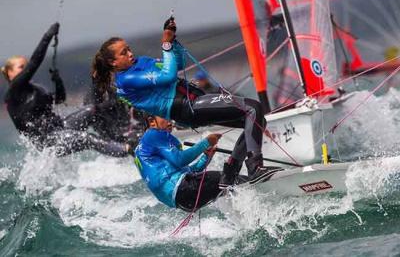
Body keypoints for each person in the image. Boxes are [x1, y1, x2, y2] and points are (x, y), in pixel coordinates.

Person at [94, 17, 269, 187]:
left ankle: (229, 175)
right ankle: (255, 167)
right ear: (113, 62)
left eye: (129, 49)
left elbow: (176, 65)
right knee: (253, 108)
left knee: (257, 120)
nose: (130, 54)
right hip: (185, 108)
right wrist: (166, 45)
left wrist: (173, 43)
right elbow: (168, 76)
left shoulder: (141, 62)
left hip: (192, 101)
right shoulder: (126, 79)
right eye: (124, 53)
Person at [1, 23, 136, 157]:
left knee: (92, 110)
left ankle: (118, 141)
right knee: (87, 138)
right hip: (47, 141)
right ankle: (128, 150)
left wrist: (58, 81)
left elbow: (60, 99)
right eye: (21, 67)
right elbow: (35, 62)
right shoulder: (13, 93)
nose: (25, 70)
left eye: (25, 66)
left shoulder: (34, 89)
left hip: (60, 127)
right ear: (9, 73)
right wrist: (47, 36)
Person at [134, 115, 228, 211]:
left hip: (182, 201)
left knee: (230, 187)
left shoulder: (145, 148)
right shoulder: (153, 134)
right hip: (182, 190)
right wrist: (206, 142)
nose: (170, 123)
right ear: (152, 122)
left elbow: (191, 171)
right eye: (165, 118)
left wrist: (207, 156)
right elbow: (180, 160)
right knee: (230, 179)